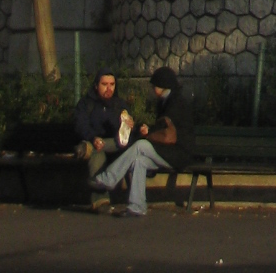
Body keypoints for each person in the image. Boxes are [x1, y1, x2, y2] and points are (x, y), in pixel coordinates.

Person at [91, 66, 197, 217]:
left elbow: (166, 127)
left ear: (162, 86)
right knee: (139, 161)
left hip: (179, 154)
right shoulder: (165, 101)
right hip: (169, 152)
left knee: (141, 145)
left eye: (155, 86)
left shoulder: (176, 102)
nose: (153, 89)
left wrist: (150, 131)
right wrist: (148, 129)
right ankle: (137, 207)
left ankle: (108, 178)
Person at [73, 72, 129, 190]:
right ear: (96, 86)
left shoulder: (119, 104)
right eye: (104, 84)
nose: (109, 88)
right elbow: (81, 125)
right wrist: (93, 138)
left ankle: (88, 149)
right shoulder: (86, 103)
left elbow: (126, 131)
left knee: (96, 148)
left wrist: (132, 127)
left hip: (115, 144)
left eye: (112, 84)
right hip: (95, 142)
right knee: (97, 153)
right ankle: (100, 196)